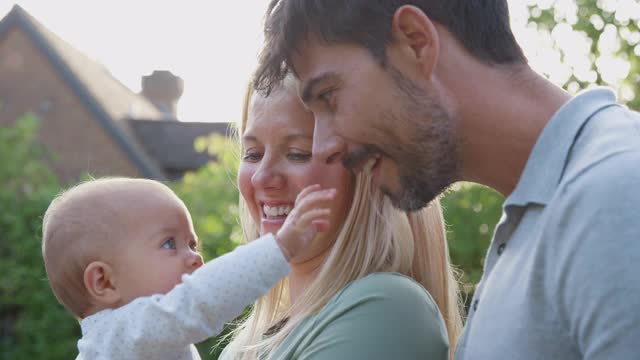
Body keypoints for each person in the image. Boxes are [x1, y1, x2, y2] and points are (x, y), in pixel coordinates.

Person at [252, 1, 640, 359]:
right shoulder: (538, 224)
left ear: (415, 42)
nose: (325, 146)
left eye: (329, 96)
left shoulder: (614, 194)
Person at [219, 79, 462, 360]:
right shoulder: (249, 342)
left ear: (369, 173)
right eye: (253, 154)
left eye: (298, 153)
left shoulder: (387, 309)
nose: (262, 177)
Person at [41, 177, 336, 360]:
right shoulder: (115, 340)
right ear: (104, 282)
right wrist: (280, 247)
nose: (195, 258)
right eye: (169, 244)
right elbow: (202, 300)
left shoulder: (145, 339)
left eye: (193, 244)